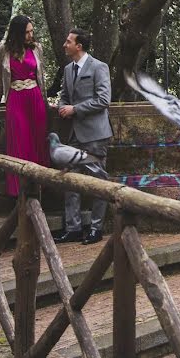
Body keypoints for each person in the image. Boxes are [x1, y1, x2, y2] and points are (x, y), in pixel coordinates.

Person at [54, 28, 113, 245]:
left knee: (98, 181)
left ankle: (96, 228)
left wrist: (75, 109)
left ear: (79, 46)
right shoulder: (68, 69)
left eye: (68, 41)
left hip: (95, 134)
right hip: (73, 135)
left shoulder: (99, 67)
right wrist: (62, 107)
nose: (64, 44)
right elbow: (64, 96)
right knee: (70, 180)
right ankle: (73, 228)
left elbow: (104, 99)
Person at [0, 15, 49, 197]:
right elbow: (0, 81)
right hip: (15, 100)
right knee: (19, 142)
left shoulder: (37, 48)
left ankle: (39, 189)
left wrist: (47, 104)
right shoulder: (4, 50)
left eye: (32, 31)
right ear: (17, 33)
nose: (31, 35)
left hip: (35, 99)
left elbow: (42, 80)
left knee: (37, 142)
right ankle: (19, 193)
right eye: (26, 32)